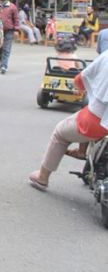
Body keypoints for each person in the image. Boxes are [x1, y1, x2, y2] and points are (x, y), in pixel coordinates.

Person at [28, 51, 108, 191]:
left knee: (60, 132)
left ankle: (42, 177)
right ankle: (82, 151)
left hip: (97, 121)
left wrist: (80, 88)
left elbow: (81, 79)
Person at [0, 0, 19, 74]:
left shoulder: (12, 7)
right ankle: (1, 64)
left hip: (9, 30)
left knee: (6, 48)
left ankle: (4, 66)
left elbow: (16, 19)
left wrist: (16, 30)